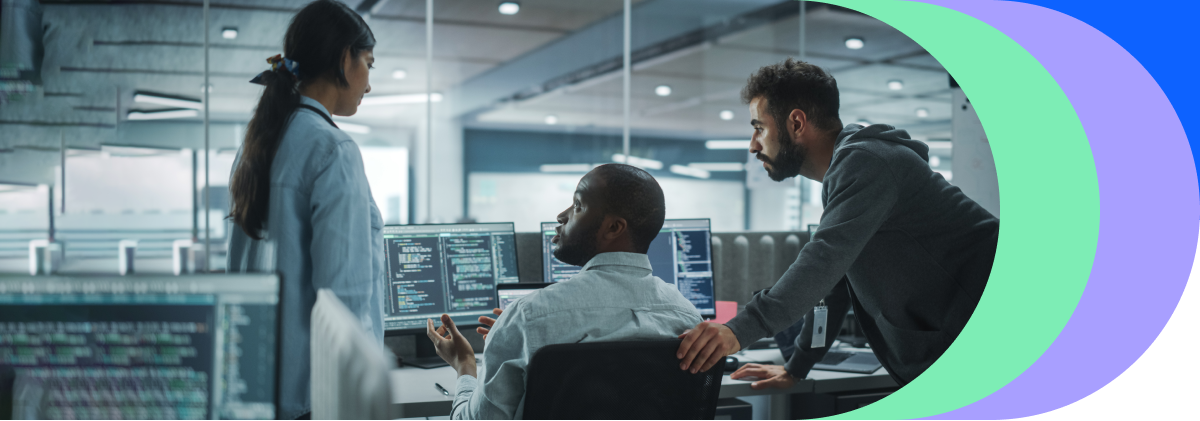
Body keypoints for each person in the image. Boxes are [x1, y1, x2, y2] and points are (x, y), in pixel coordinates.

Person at [678, 58, 1000, 388]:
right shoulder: (848, 174)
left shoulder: (868, 163)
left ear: (796, 123)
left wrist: (737, 330)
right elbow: (835, 285)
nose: (752, 145)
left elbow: (822, 262)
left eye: (759, 127)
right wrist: (797, 366)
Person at [425, 164, 703, 420]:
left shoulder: (528, 317)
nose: (561, 215)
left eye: (578, 205)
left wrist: (465, 365)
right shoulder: (689, 319)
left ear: (614, 227)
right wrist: (516, 338)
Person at [225, 1, 381, 419]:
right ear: (343, 58)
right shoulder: (333, 149)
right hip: (312, 395)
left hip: (255, 386)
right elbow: (342, 301)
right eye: (368, 63)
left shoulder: (258, 143)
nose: (368, 84)